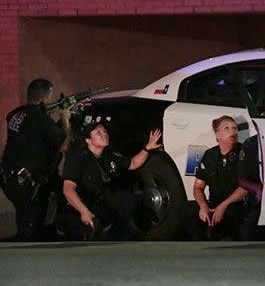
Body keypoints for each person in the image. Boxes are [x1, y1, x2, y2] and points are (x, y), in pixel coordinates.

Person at [59, 122, 162, 240]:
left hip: (101, 203)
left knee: (127, 201)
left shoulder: (109, 155)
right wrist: (84, 212)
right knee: (81, 236)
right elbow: (68, 189)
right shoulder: (78, 158)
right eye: (98, 132)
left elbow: (132, 164)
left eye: (105, 131)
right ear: (88, 140)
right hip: (80, 207)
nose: (104, 134)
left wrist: (147, 148)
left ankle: (114, 239)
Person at [1, 78, 72, 241]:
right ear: (45, 99)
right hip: (27, 182)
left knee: (35, 213)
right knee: (29, 231)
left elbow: (41, 133)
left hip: (11, 177)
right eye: (51, 96)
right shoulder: (40, 119)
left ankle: (45, 232)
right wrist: (66, 119)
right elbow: (64, 145)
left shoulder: (14, 114)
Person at [180, 115, 246, 240]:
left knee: (233, 211)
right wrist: (203, 206)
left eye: (235, 128)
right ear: (217, 134)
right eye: (226, 128)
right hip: (214, 203)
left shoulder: (243, 153)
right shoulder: (210, 155)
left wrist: (223, 206)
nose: (232, 131)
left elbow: (245, 188)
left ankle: (225, 236)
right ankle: (203, 242)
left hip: (234, 204)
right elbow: (198, 187)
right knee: (186, 209)